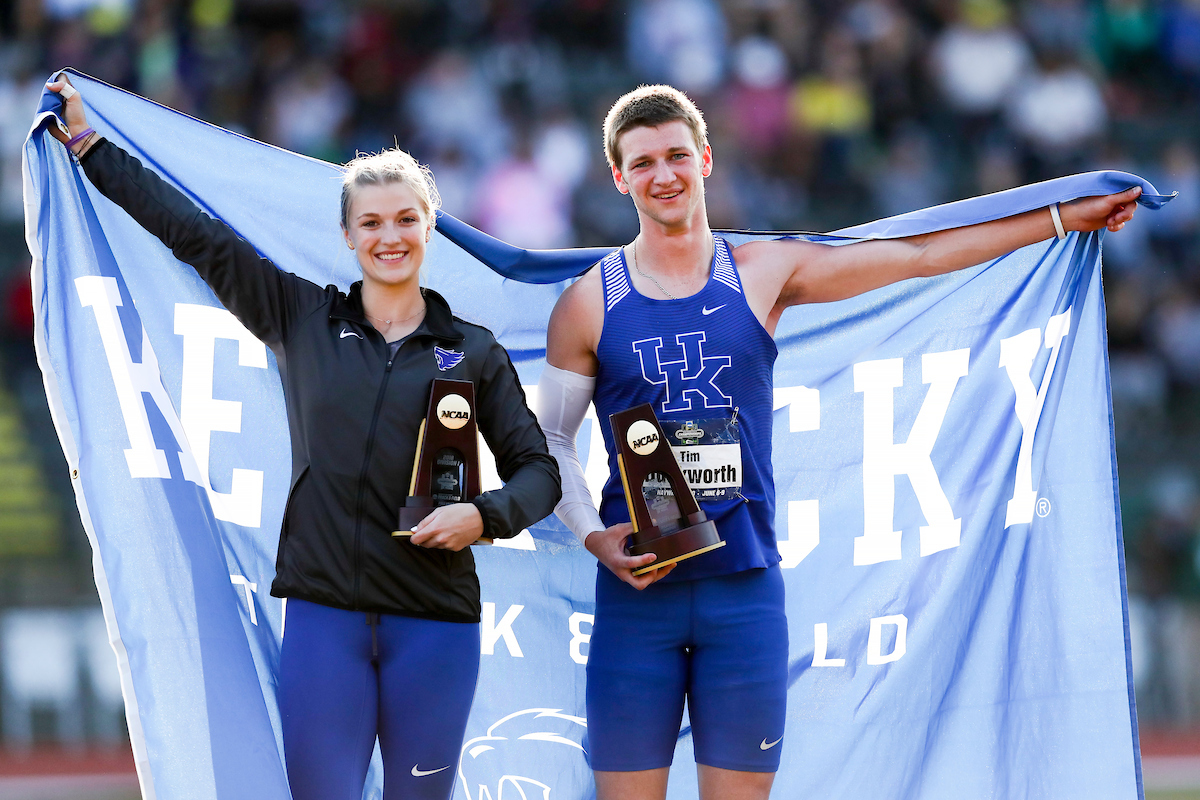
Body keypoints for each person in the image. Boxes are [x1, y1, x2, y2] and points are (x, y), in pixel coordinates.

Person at [537, 84, 1140, 800]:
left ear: (704, 158)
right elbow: (551, 439)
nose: (662, 175)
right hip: (639, 597)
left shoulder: (763, 271)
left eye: (675, 156)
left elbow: (914, 256)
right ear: (618, 176)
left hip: (744, 595)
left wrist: (1059, 219)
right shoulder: (586, 302)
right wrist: (590, 536)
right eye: (642, 164)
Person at [46, 75, 561, 800]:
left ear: (429, 228)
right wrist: (93, 148)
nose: (391, 237)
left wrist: (484, 515)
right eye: (373, 223)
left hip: (436, 628)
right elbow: (197, 236)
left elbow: (539, 471)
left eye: (406, 220)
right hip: (325, 624)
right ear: (348, 235)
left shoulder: (472, 352)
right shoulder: (301, 317)